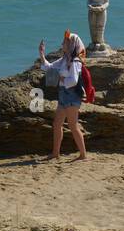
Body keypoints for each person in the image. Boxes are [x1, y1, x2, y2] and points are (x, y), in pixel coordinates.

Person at [38, 31, 88, 160]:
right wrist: (42, 54)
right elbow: (49, 67)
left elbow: (74, 80)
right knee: (57, 124)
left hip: (72, 96)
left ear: (71, 44)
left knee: (73, 125)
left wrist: (61, 80)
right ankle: (55, 153)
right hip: (63, 95)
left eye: (64, 42)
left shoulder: (76, 61)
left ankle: (83, 155)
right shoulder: (65, 58)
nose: (62, 43)